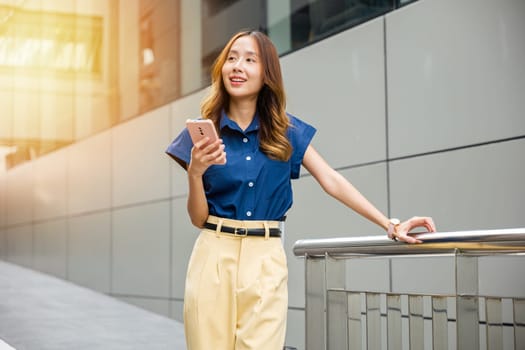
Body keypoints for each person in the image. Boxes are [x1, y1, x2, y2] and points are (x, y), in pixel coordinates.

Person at [166, 30, 436, 350]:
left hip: (265, 258)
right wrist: (195, 172)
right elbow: (198, 219)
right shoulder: (201, 133)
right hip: (212, 254)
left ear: (267, 75)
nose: (237, 66)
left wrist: (389, 223)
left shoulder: (286, 131)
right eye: (232, 58)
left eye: (250, 60)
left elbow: (331, 180)